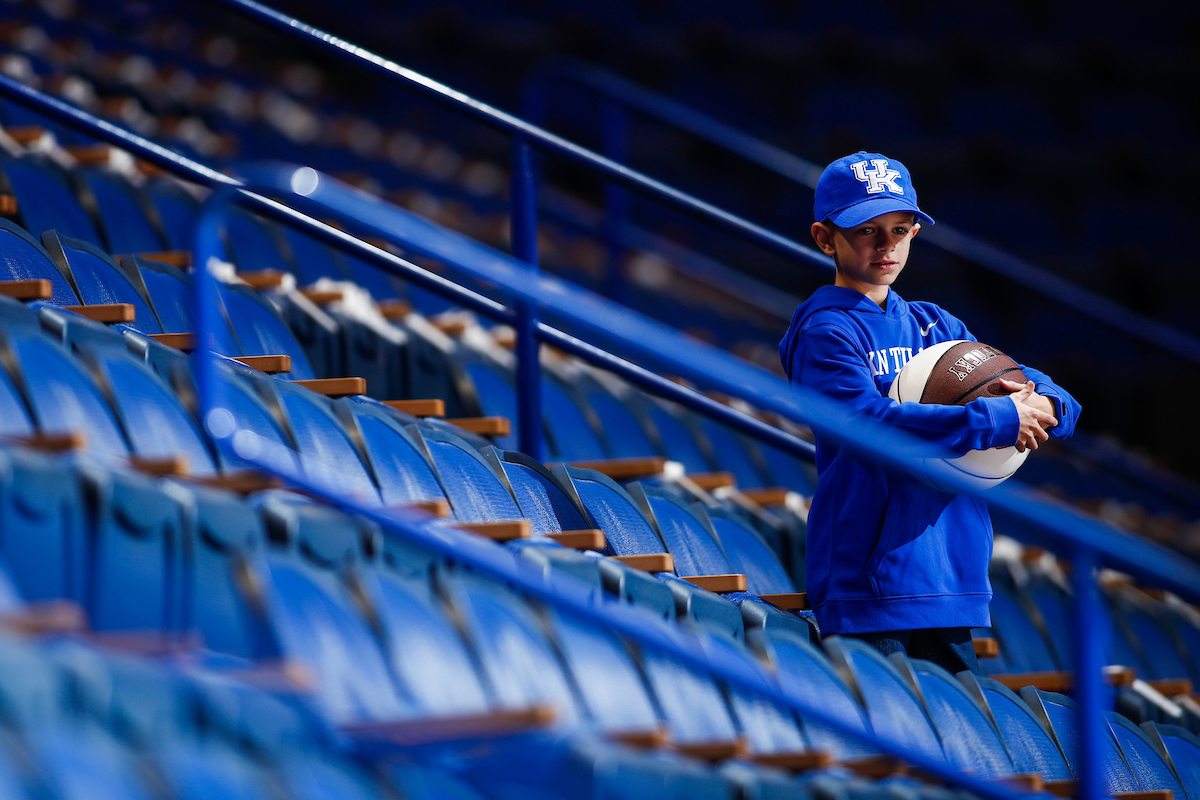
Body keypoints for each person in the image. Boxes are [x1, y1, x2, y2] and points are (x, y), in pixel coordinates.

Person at [778, 152, 1081, 674]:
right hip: (867, 576)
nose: (887, 244)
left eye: (900, 228)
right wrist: (996, 421)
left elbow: (1040, 387)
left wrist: (1046, 403)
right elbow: (862, 422)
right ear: (826, 239)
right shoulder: (824, 330)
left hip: (951, 571)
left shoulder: (934, 324)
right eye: (866, 230)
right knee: (897, 741)